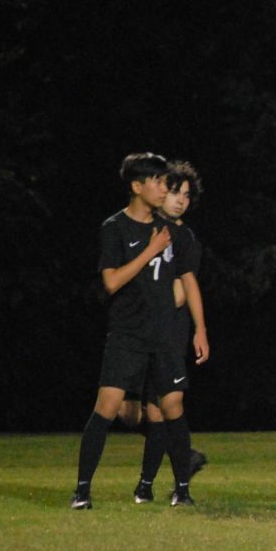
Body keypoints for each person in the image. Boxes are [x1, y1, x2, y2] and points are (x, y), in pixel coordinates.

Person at [71, 153, 201, 509]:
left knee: (171, 408)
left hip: (164, 336)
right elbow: (111, 282)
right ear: (137, 187)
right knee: (109, 406)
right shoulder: (114, 228)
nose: (164, 189)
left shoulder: (174, 231)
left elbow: (186, 282)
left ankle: (182, 489)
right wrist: (149, 251)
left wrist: (198, 328)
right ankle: (82, 490)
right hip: (127, 333)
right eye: (158, 183)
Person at [119, 160, 211, 503]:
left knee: (168, 403)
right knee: (138, 411)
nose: (180, 200)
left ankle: (175, 485)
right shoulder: (147, 229)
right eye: (174, 192)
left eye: (186, 195)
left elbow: (180, 290)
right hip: (142, 332)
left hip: (169, 332)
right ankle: (154, 478)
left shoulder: (185, 238)